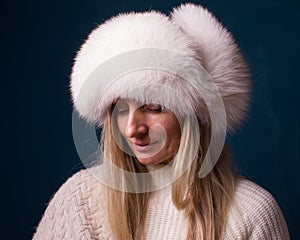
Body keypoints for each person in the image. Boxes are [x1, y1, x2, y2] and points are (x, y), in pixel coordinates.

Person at [33, 3, 290, 240]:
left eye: (153, 108)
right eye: (121, 110)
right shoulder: (80, 199)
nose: (133, 129)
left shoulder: (252, 212)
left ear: (192, 117)